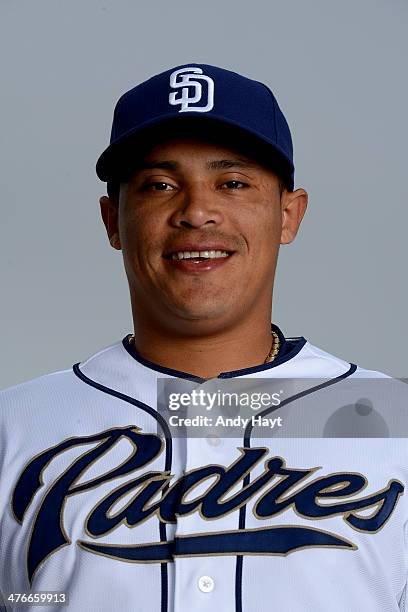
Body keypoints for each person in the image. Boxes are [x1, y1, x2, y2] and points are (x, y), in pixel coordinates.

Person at [0, 63, 406, 612]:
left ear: (289, 215)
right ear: (113, 221)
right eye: (160, 185)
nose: (196, 212)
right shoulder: (16, 427)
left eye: (233, 183)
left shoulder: (390, 419)